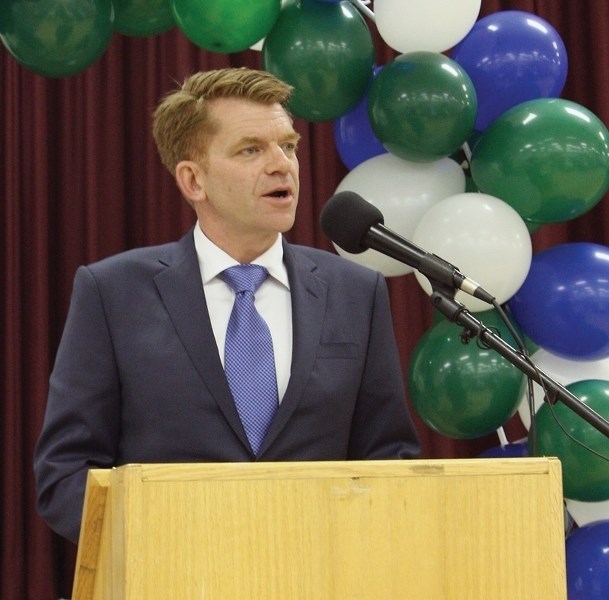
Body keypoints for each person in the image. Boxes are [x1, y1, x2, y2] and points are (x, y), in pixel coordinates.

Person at [33, 67, 420, 544]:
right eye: (251, 149)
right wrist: (158, 545)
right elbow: (66, 472)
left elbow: (389, 456)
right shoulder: (113, 293)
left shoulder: (356, 293)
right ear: (193, 180)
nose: (282, 165)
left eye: (289, 145)